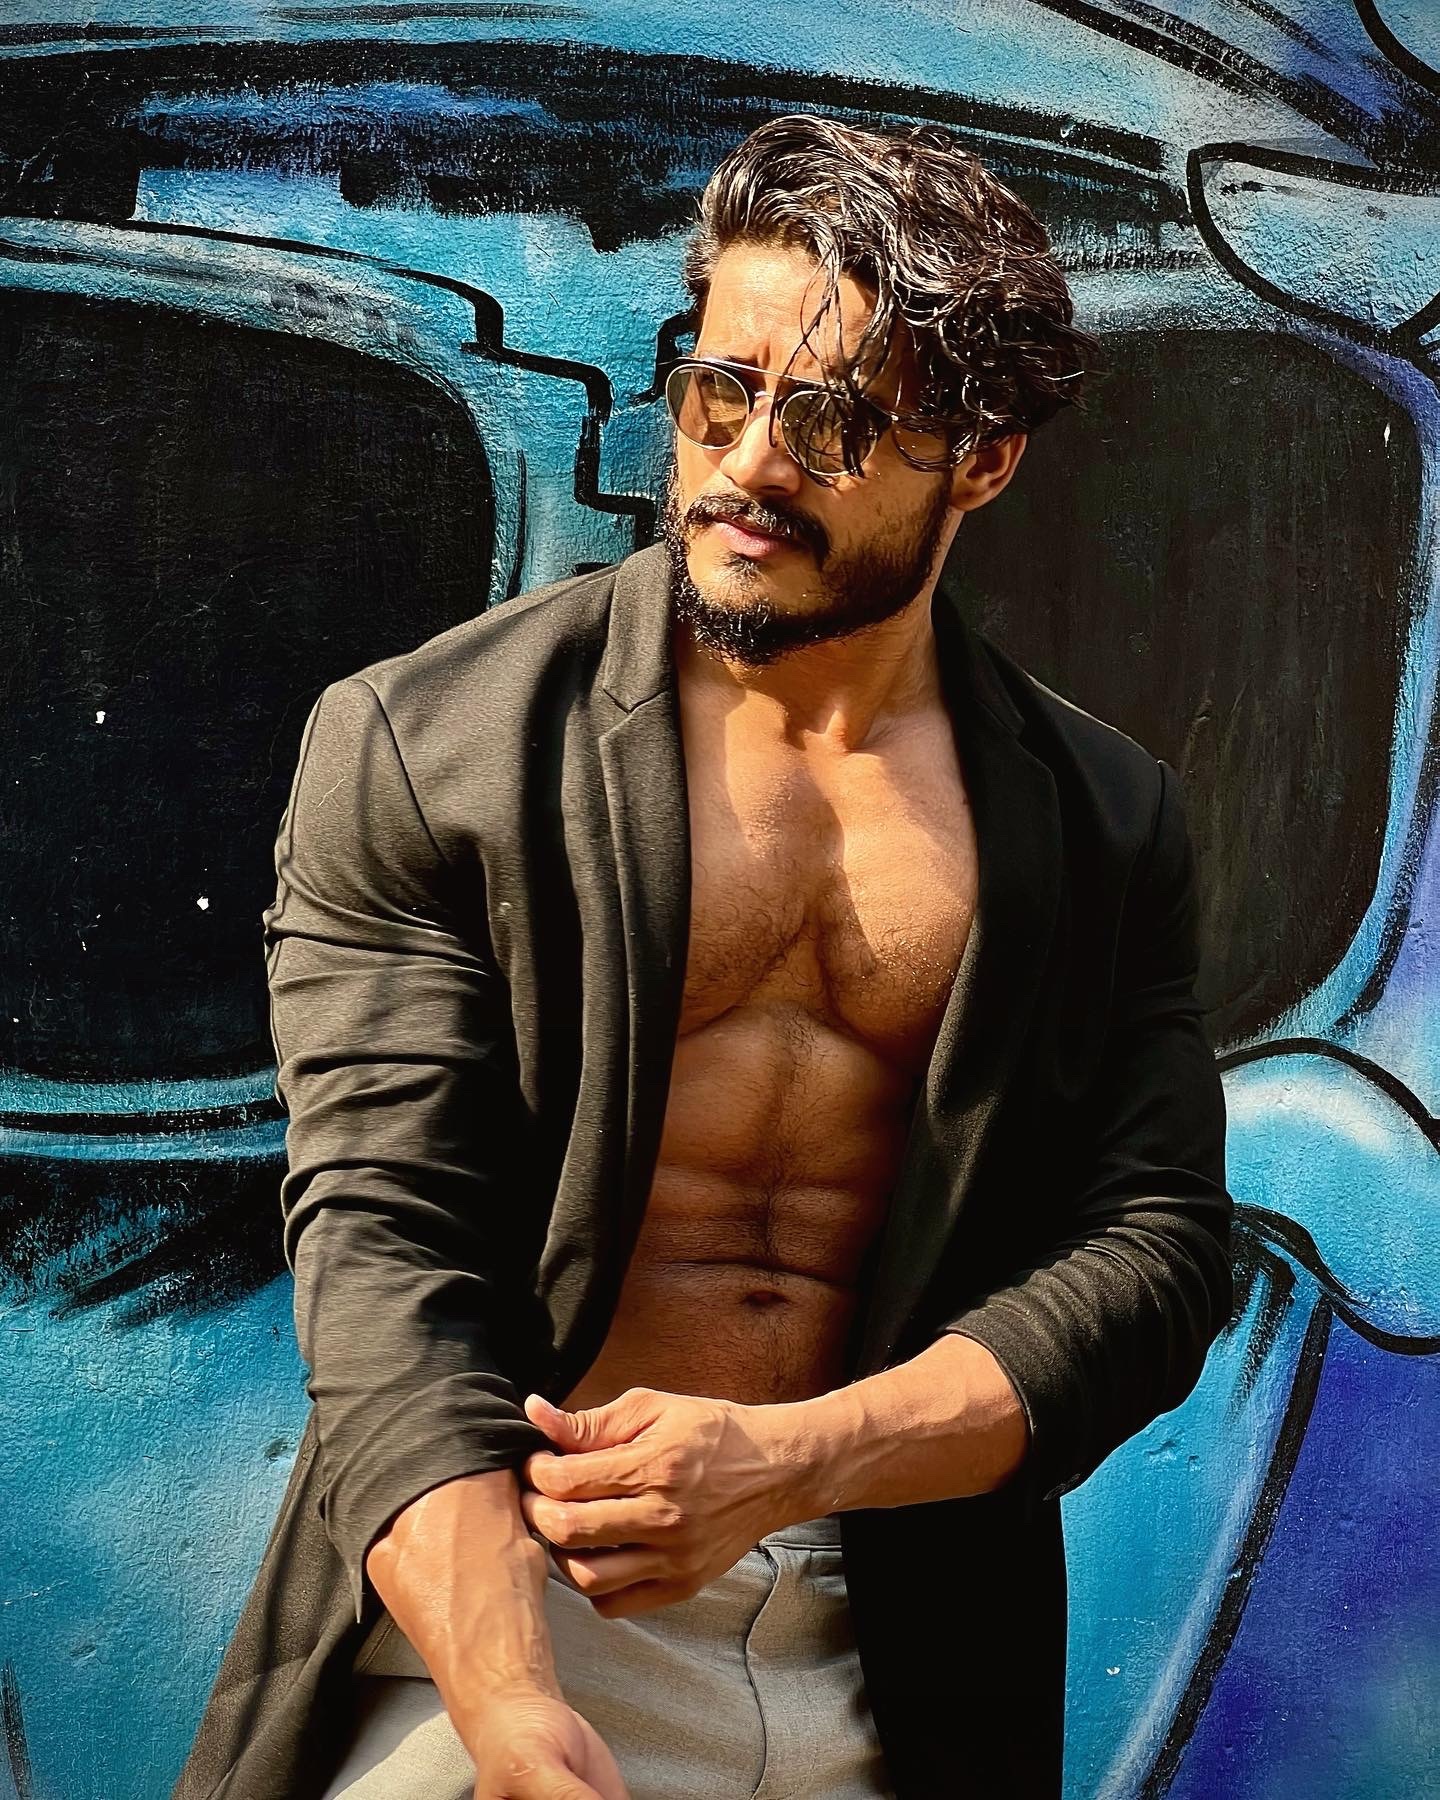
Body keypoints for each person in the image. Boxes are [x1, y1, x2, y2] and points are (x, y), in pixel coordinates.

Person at [175, 113, 1233, 1800]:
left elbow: (1157, 1253)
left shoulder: (1102, 821)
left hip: (904, 1661)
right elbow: (382, 1252)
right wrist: (509, 1705)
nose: (747, 465)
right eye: (719, 392)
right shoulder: (433, 749)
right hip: (504, 1609)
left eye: (831, 422)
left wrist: (796, 1459)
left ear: (982, 460)